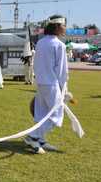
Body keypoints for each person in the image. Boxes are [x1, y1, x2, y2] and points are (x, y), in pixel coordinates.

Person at [22, 15, 68, 154]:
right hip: (51, 83)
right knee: (56, 114)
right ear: (57, 27)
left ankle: (40, 140)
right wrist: (63, 86)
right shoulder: (59, 44)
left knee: (43, 114)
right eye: (63, 26)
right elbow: (61, 69)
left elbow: (36, 64)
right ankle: (33, 137)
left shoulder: (41, 42)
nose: (65, 28)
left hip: (41, 82)